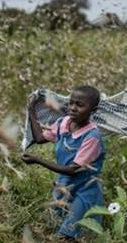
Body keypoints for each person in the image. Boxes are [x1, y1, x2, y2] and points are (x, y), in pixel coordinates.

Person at [21, 85, 105, 240]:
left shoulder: (92, 136)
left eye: (79, 105)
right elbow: (40, 138)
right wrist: (31, 111)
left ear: (93, 110)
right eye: (71, 103)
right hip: (63, 186)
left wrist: (37, 160)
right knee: (51, 227)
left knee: (69, 235)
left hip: (85, 189)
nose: (73, 108)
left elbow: (72, 169)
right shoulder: (63, 123)